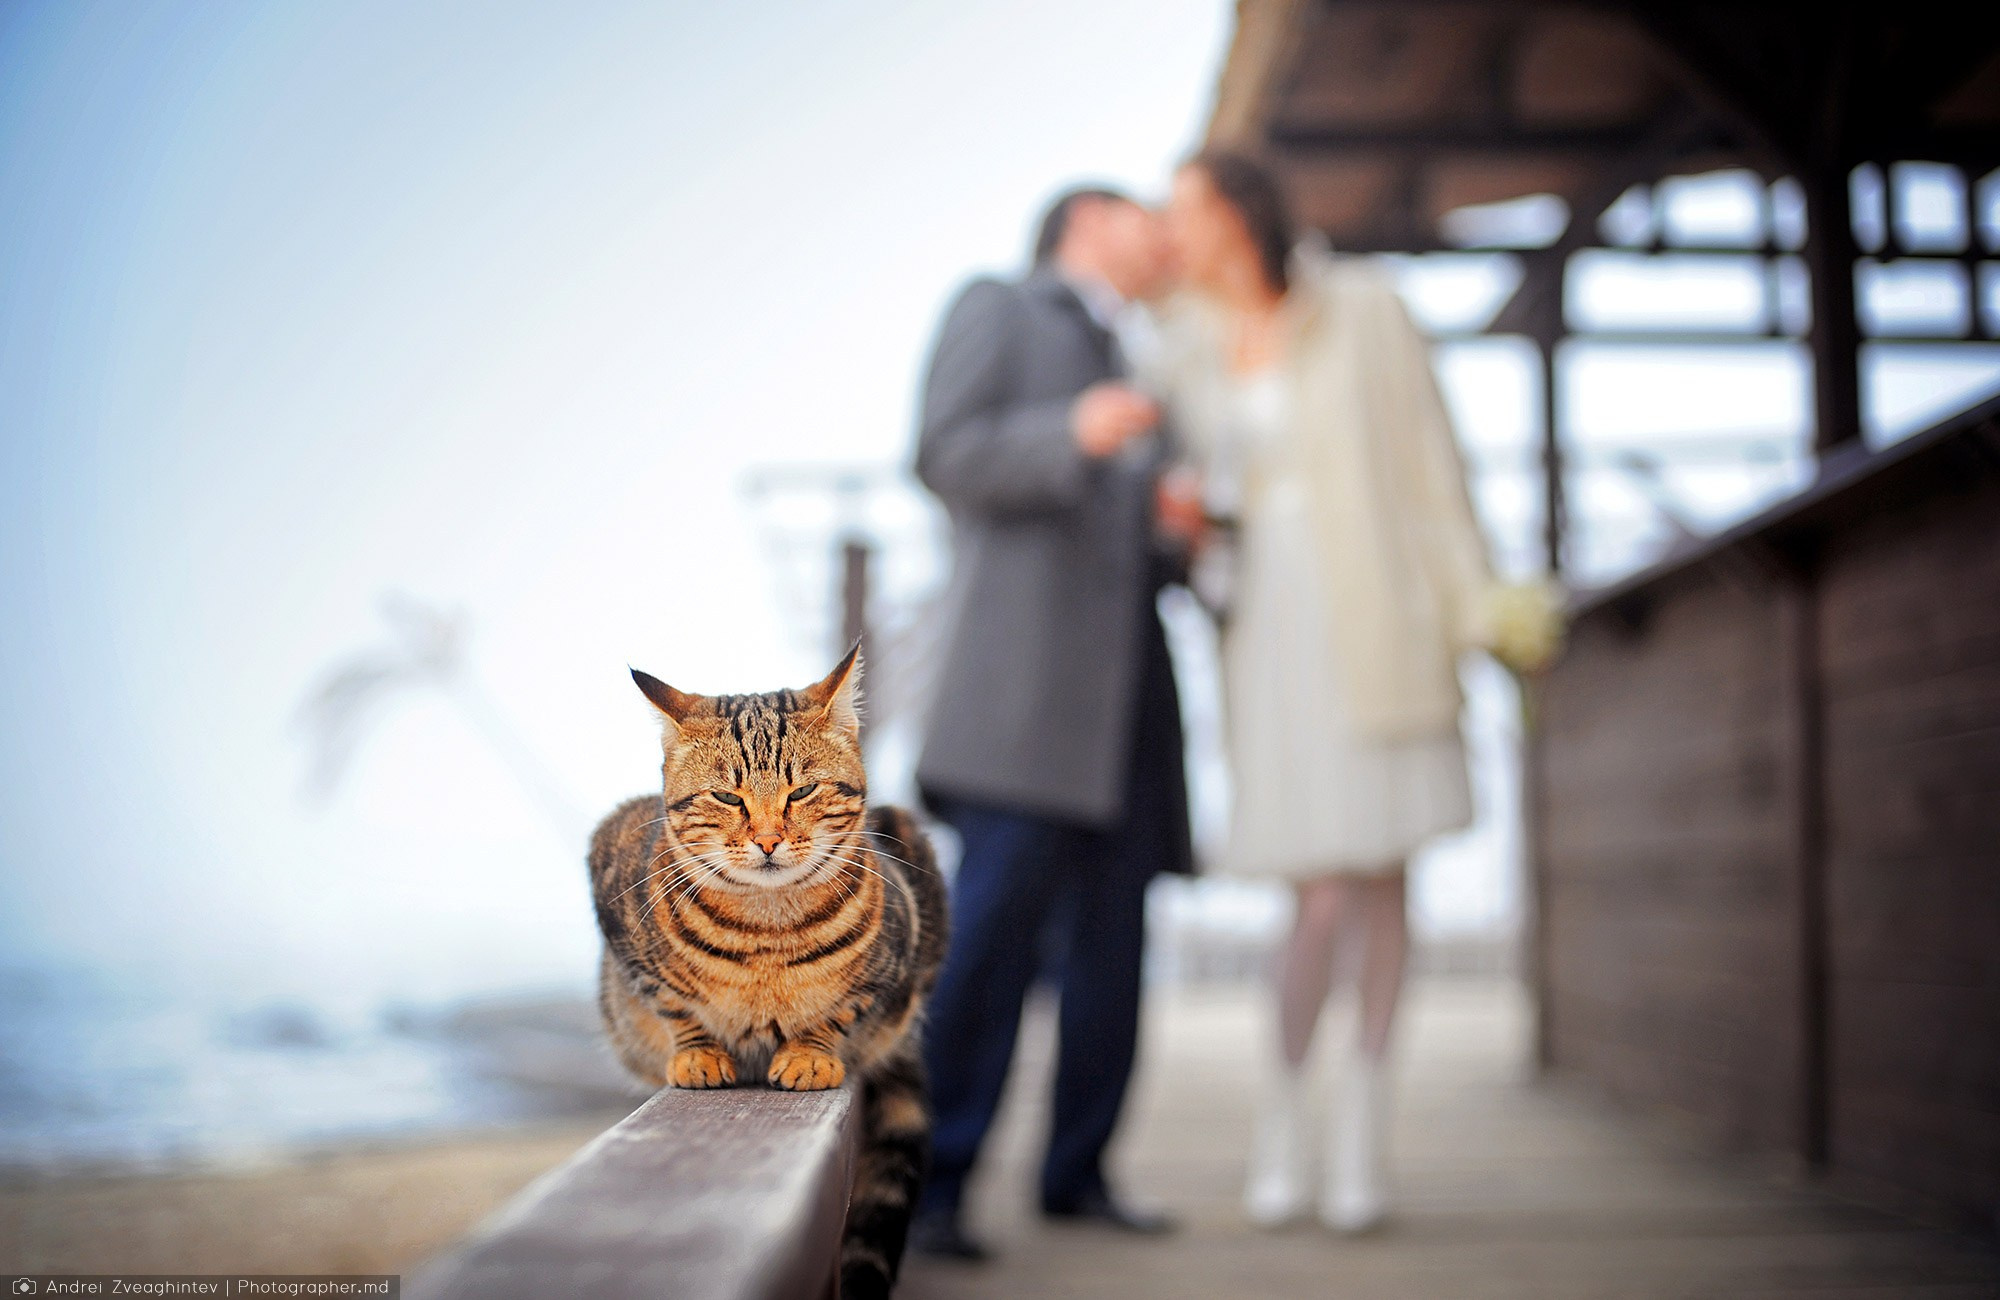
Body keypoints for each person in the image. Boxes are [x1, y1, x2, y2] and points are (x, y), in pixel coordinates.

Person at [1151, 150, 1507, 1233]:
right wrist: (1183, 519)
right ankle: (1284, 1115)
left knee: (1383, 869)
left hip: (1378, 610)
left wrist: (1474, 609)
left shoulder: (1365, 310)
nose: (1176, 235)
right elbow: (1185, 496)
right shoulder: (1179, 342)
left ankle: (1362, 1131)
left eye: (1188, 213)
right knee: (1313, 886)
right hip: (1265, 629)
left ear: (1238, 213)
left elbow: (1434, 471)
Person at [907, 185, 1195, 1261]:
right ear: (1086, 219)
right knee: (987, 940)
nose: (1162, 233)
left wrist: (1173, 524)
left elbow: (1132, 538)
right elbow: (945, 454)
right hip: (1022, 702)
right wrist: (1067, 432)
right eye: (1143, 214)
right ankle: (932, 1186)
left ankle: (1078, 1172)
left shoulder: (1145, 350)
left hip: (1130, 701)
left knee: (1116, 947)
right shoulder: (999, 305)